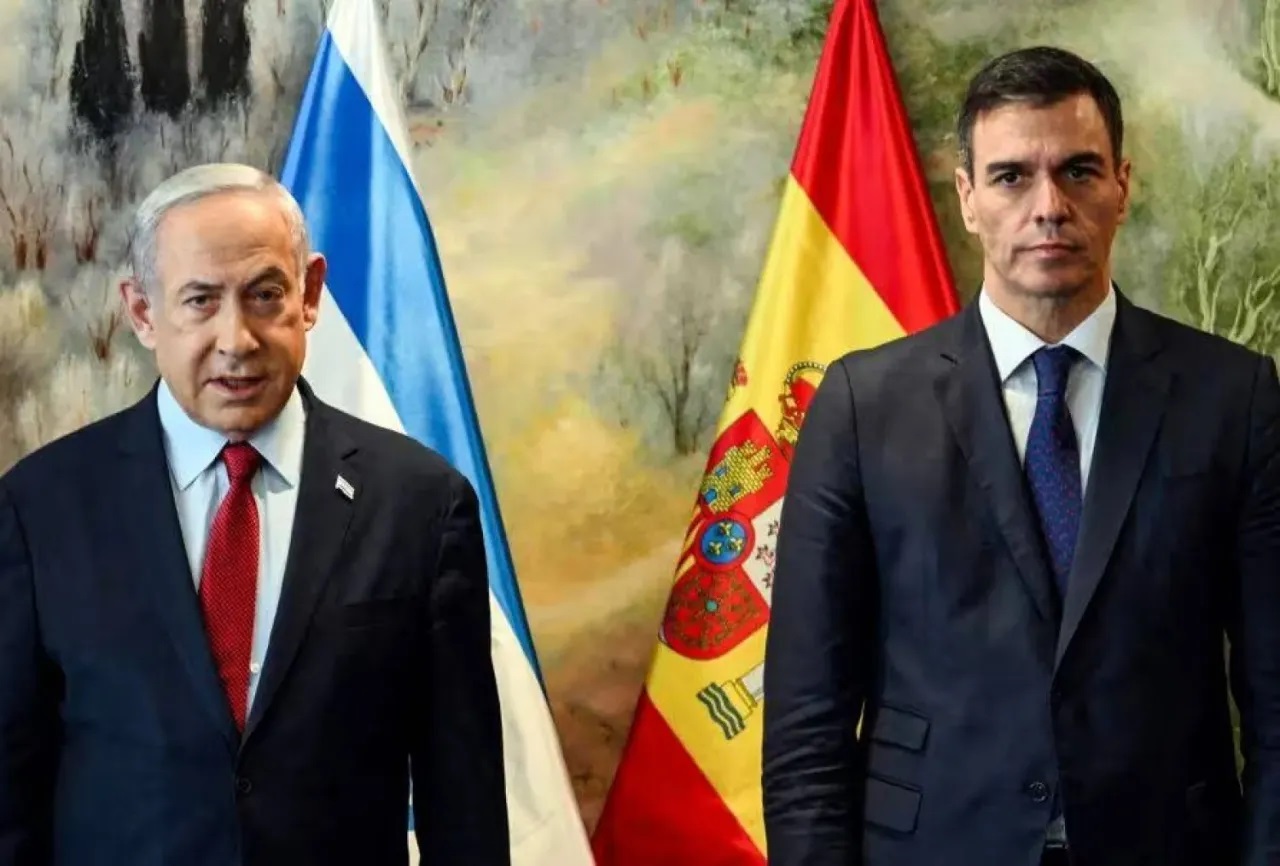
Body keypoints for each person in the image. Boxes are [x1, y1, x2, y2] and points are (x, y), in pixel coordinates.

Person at [761, 45, 1280, 866]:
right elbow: (806, 730)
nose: (1049, 207)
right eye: (1011, 177)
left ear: (1122, 187)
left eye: (1078, 171)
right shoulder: (863, 407)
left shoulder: (1234, 398)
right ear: (967, 197)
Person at [0, 163, 510, 866]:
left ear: (310, 295)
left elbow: (465, 800)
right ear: (143, 312)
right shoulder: (41, 506)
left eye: (265, 295)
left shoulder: (421, 503)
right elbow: (11, 790)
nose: (236, 339)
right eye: (200, 300)